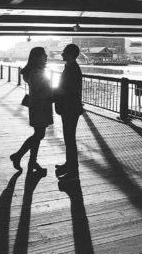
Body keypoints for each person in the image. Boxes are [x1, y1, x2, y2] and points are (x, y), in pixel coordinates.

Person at [10, 46, 55, 177]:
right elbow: (42, 91)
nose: (46, 57)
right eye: (44, 55)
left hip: (37, 107)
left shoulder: (33, 71)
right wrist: (56, 93)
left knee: (38, 134)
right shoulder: (37, 72)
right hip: (40, 107)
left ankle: (32, 162)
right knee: (39, 135)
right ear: (37, 57)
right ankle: (18, 156)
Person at [55, 43, 85, 185]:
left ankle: (73, 172)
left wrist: (57, 91)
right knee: (69, 139)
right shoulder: (71, 67)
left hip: (70, 109)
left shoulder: (72, 69)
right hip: (69, 108)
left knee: (70, 140)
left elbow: (70, 91)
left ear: (71, 54)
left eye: (64, 52)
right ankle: (69, 165)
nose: (62, 54)